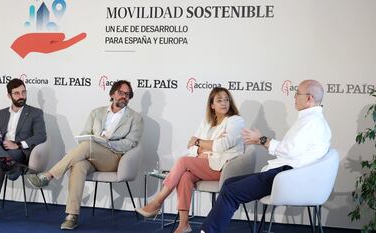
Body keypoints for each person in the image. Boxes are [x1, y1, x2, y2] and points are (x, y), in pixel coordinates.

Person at [200, 80, 332, 233]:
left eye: (297, 93)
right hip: (285, 173)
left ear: (309, 99)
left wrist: (262, 139)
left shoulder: (312, 122)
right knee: (229, 184)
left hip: (286, 176)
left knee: (231, 192)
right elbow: (292, 149)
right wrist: (261, 141)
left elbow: (290, 150)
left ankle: (208, 231)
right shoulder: (310, 120)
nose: (294, 97)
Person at [27, 80, 143, 230]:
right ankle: (71, 215)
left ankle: (48, 176)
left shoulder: (135, 118)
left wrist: (107, 143)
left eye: (127, 94)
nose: (124, 97)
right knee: (78, 165)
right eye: (121, 92)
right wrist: (94, 140)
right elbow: (85, 134)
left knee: (88, 146)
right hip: (91, 154)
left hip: (114, 159)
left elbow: (131, 143)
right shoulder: (96, 112)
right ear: (113, 93)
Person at [136, 87, 245, 233]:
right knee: (185, 177)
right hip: (205, 164)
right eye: (219, 100)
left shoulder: (235, 121)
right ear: (212, 105)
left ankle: (157, 202)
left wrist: (199, 143)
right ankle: (184, 224)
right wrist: (204, 146)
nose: (224, 103)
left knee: (182, 161)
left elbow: (221, 145)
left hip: (223, 168)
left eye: (226, 99)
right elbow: (191, 147)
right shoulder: (207, 123)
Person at [0, 78, 47, 222]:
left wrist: (19, 144)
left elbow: (41, 136)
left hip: (17, 152)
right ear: (9, 95)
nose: (21, 96)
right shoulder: (0, 113)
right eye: (16, 93)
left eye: (23, 92)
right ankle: (10, 165)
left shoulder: (35, 113)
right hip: (0, 149)